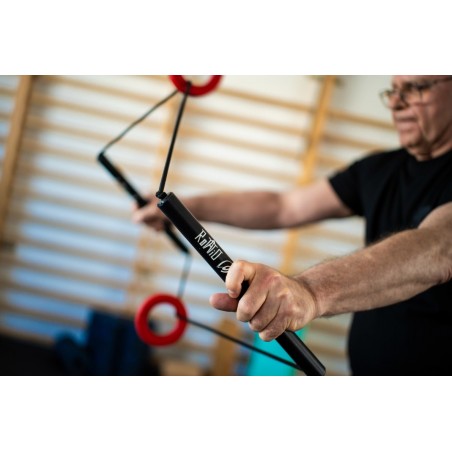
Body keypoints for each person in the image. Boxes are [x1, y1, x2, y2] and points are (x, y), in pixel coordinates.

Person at [133, 76, 452, 375]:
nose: (397, 103)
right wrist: (181, 210)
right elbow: (282, 207)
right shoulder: (380, 169)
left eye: (416, 88)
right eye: (394, 91)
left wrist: (311, 292)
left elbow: (438, 247)